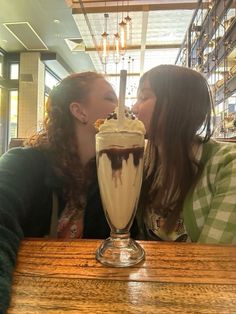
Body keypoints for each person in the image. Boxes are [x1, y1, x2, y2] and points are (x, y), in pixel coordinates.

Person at [0, 71, 138, 313]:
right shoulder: (24, 163)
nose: (121, 108)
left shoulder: (117, 173)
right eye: (110, 98)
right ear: (80, 111)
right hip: (31, 297)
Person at [132, 64, 236, 243]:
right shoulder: (143, 161)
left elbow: (213, 262)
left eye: (144, 97)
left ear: (176, 104)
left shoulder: (227, 164)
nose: (134, 108)